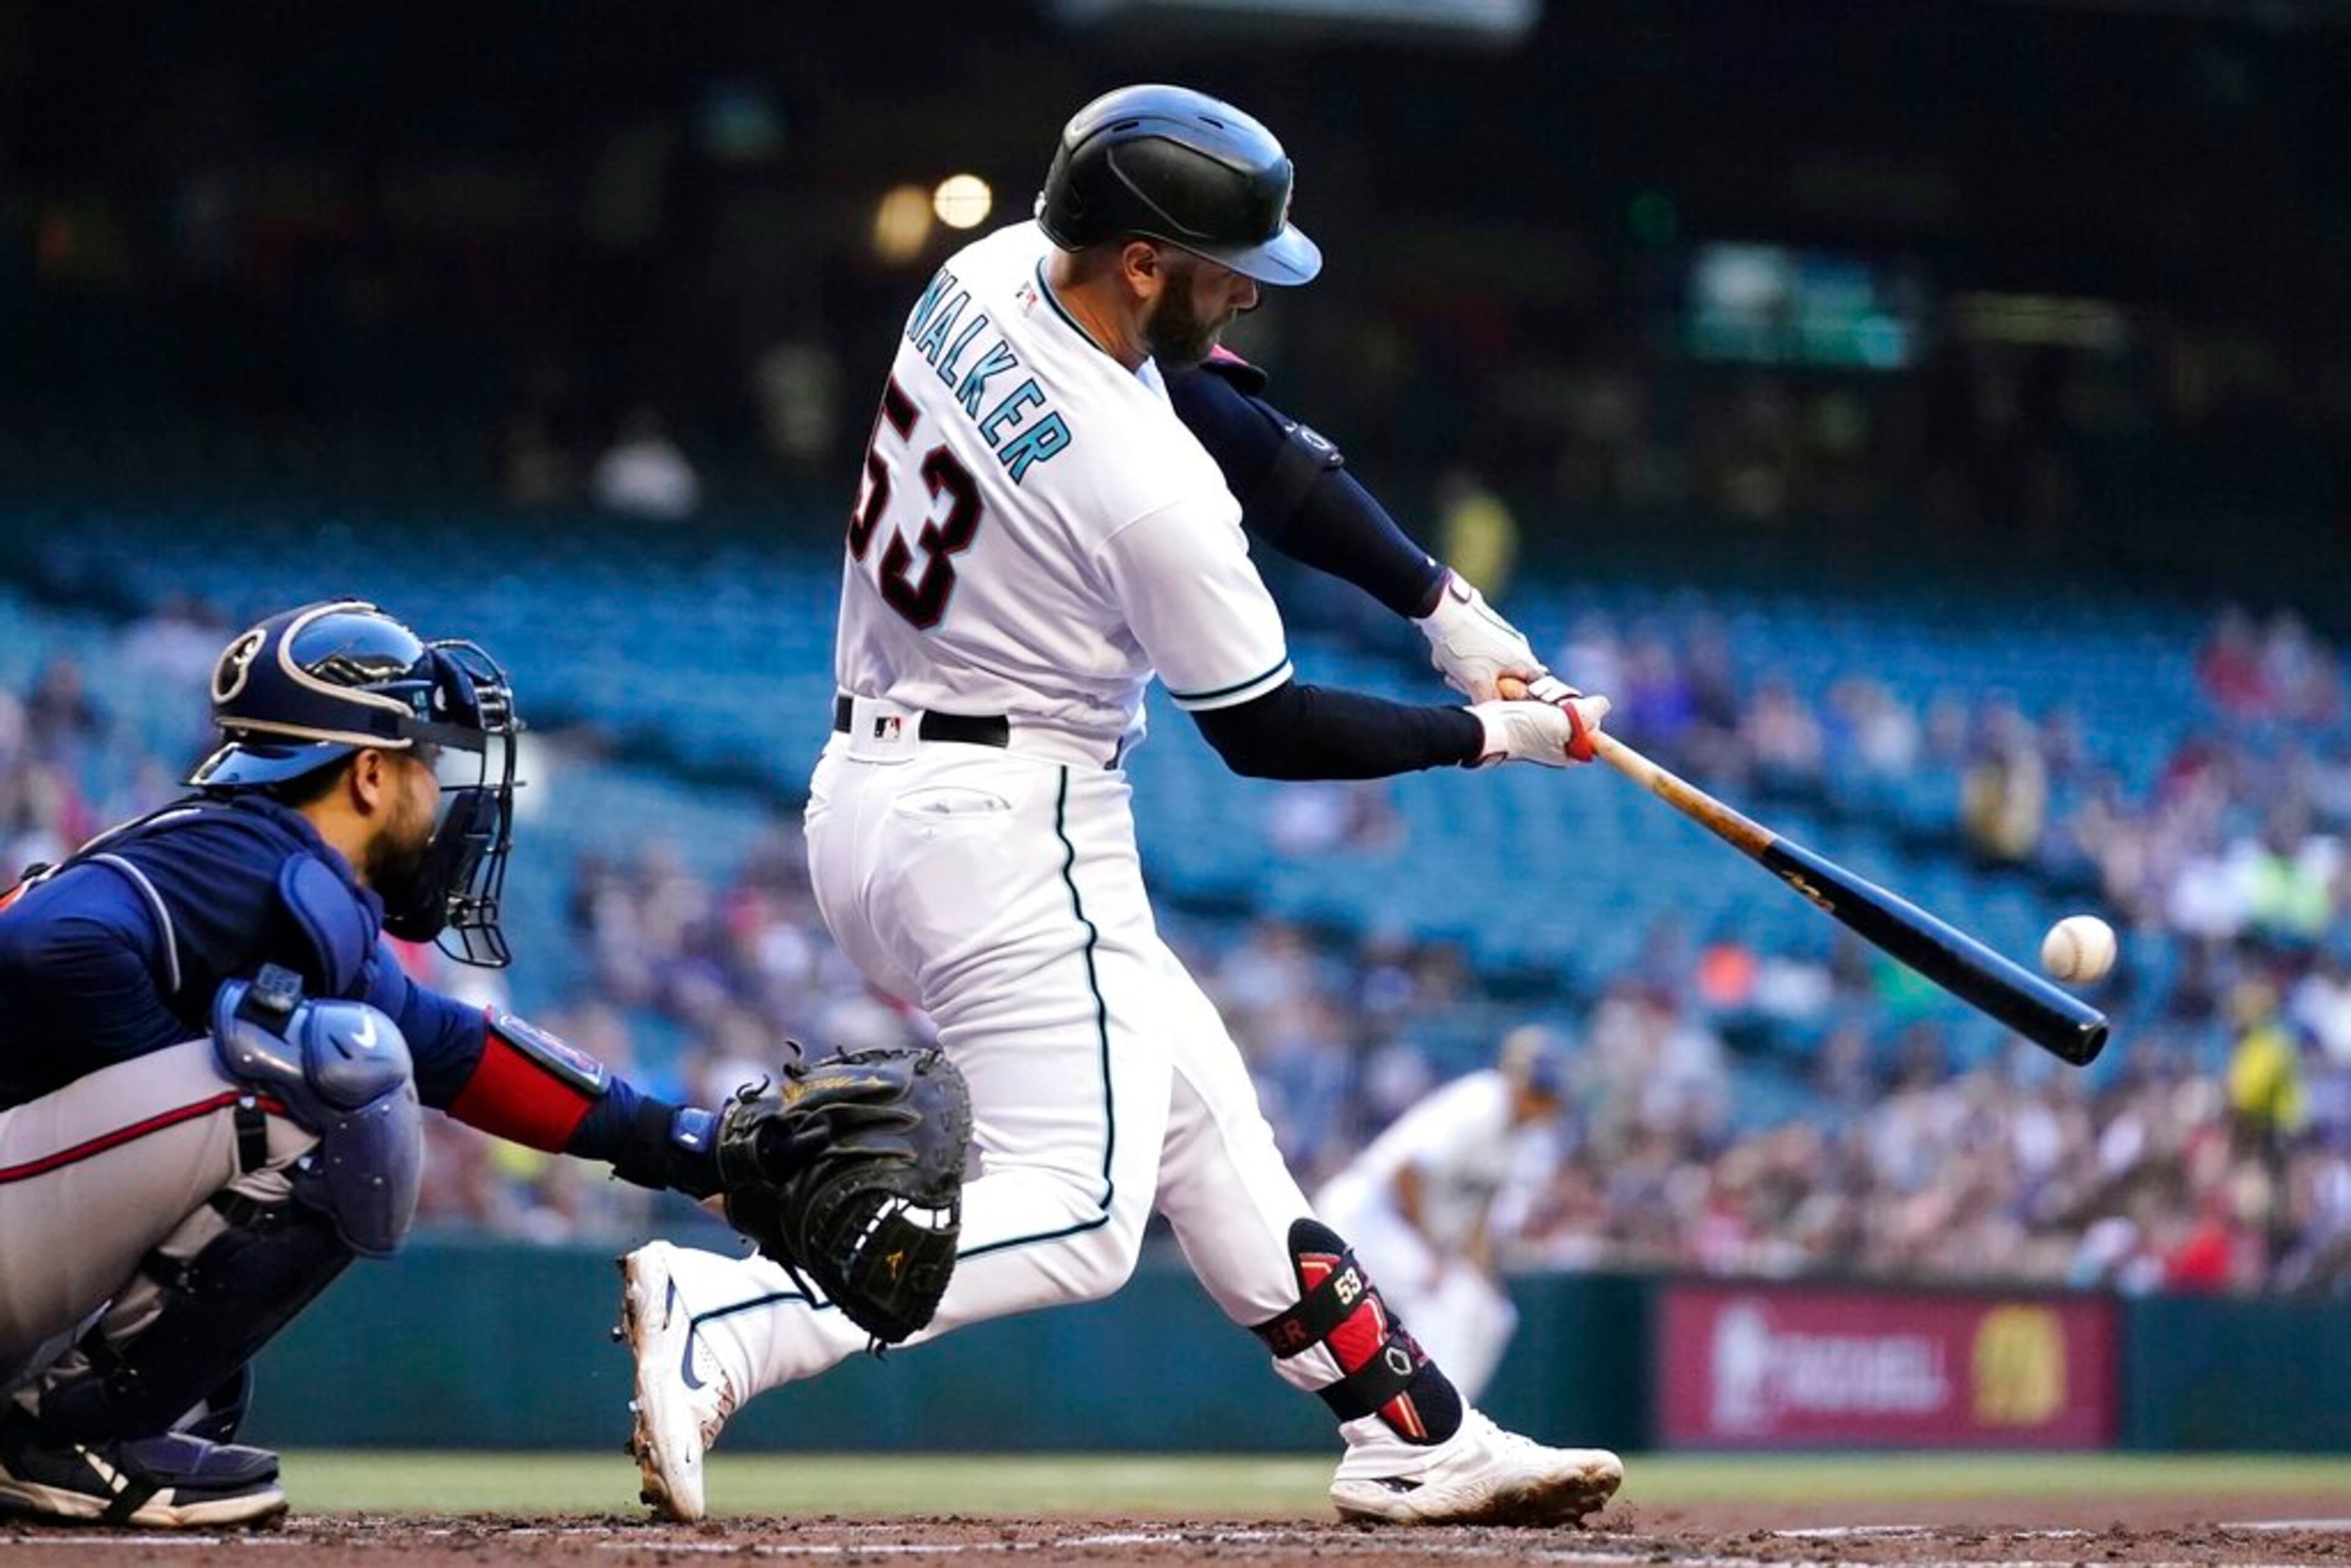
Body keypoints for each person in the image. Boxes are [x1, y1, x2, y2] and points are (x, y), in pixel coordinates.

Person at [620, 83, 1620, 1528]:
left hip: (877, 791)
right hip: (1009, 816)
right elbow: (1266, 729)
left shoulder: (987, 273)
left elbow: (1241, 423)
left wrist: (1438, 601)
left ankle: (1412, 1429)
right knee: (1086, 1216)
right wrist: (1491, 733)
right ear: (1141, 260)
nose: (1246, 294)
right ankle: (736, 1319)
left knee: (1204, 1123)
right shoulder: (1146, 489)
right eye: (1223, 267)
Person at [0, 601, 748, 1528]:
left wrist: (689, 1147)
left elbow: (455, 1048)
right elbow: (42, 945)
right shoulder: (248, 855)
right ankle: (70, 1437)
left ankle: (75, 1420)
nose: (438, 794)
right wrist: (162, 1062)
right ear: (368, 772)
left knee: (329, 1063)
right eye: (425, 763)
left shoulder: (255, 864)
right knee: (331, 1080)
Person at [1312, 1029, 1570, 1403]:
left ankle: (1453, 1415)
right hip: (1366, 1214)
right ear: (1515, 1078)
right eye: (1538, 1090)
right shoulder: (1482, 1103)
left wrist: (1483, 1277)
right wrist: (1432, 1251)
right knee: (1442, 1299)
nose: (1542, 1101)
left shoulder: (1522, 1136)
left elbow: (1480, 1213)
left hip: (1404, 1228)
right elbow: (1406, 1174)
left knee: (1491, 1313)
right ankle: (1423, 1418)